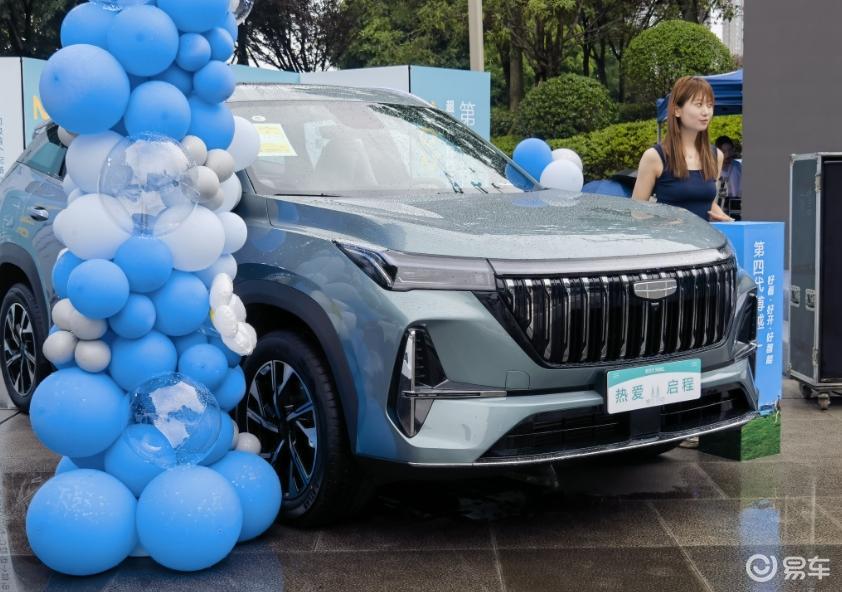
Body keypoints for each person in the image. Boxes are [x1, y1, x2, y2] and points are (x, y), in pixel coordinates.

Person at [632, 76, 734, 222]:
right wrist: (661, 223)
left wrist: (727, 221)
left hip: (705, 237)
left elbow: (708, 204)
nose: (706, 111)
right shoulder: (655, 157)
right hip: (669, 237)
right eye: (699, 104)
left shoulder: (716, 155)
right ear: (677, 110)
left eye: (710, 105)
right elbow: (636, 213)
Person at [715, 135, 742, 200]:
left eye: (730, 150)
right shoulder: (712, 170)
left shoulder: (738, 167)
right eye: (724, 152)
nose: (728, 154)